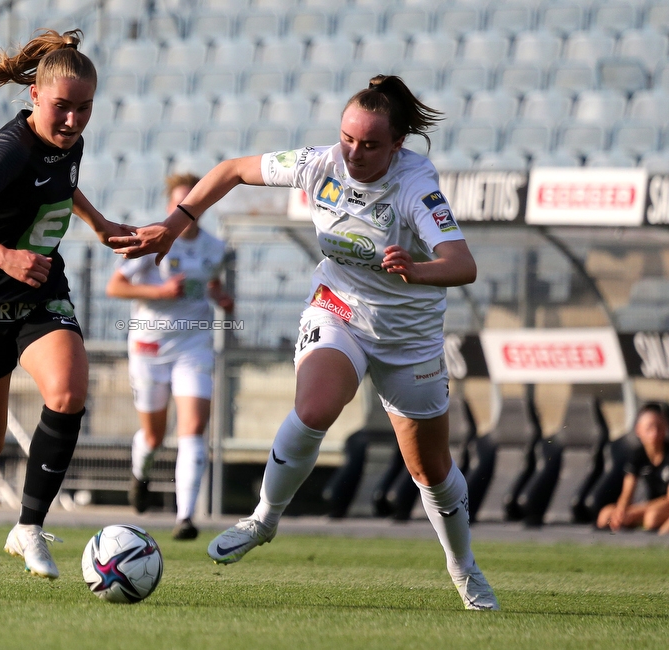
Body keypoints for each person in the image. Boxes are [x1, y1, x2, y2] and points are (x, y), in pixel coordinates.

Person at [111, 75, 499, 610]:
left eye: (369, 145)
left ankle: (465, 570)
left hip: (409, 338)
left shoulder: (416, 187)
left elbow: (463, 265)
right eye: (347, 138)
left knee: (428, 471)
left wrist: (419, 268)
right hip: (338, 309)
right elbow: (230, 171)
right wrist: (175, 226)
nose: (354, 153)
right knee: (314, 408)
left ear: (397, 146)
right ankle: (264, 520)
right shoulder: (320, 163)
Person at [0, 29, 140, 579]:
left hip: (39, 292)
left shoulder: (66, 142)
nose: (73, 121)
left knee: (69, 391)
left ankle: (28, 528)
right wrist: (6, 258)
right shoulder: (6, 150)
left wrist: (99, 224)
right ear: (34, 99)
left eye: (85, 108)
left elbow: (60, 183)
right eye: (62, 108)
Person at [106, 173, 234, 541]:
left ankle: (185, 517)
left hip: (194, 345)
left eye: (191, 204)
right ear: (169, 207)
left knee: (192, 428)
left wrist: (221, 298)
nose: (185, 211)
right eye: (179, 203)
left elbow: (210, 284)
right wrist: (160, 293)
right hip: (150, 347)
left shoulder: (215, 247)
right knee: (154, 434)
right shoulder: (153, 238)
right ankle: (140, 473)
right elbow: (115, 286)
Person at [596, 402, 669, 534]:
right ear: (638, 430)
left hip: (662, 506)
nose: (655, 433)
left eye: (659, 427)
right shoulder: (637, 456)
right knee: (605, 516)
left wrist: (635, 512)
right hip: (649, 506)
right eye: (650, 428)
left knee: (652, 517)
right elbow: (627, 493)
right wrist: (621, 512)